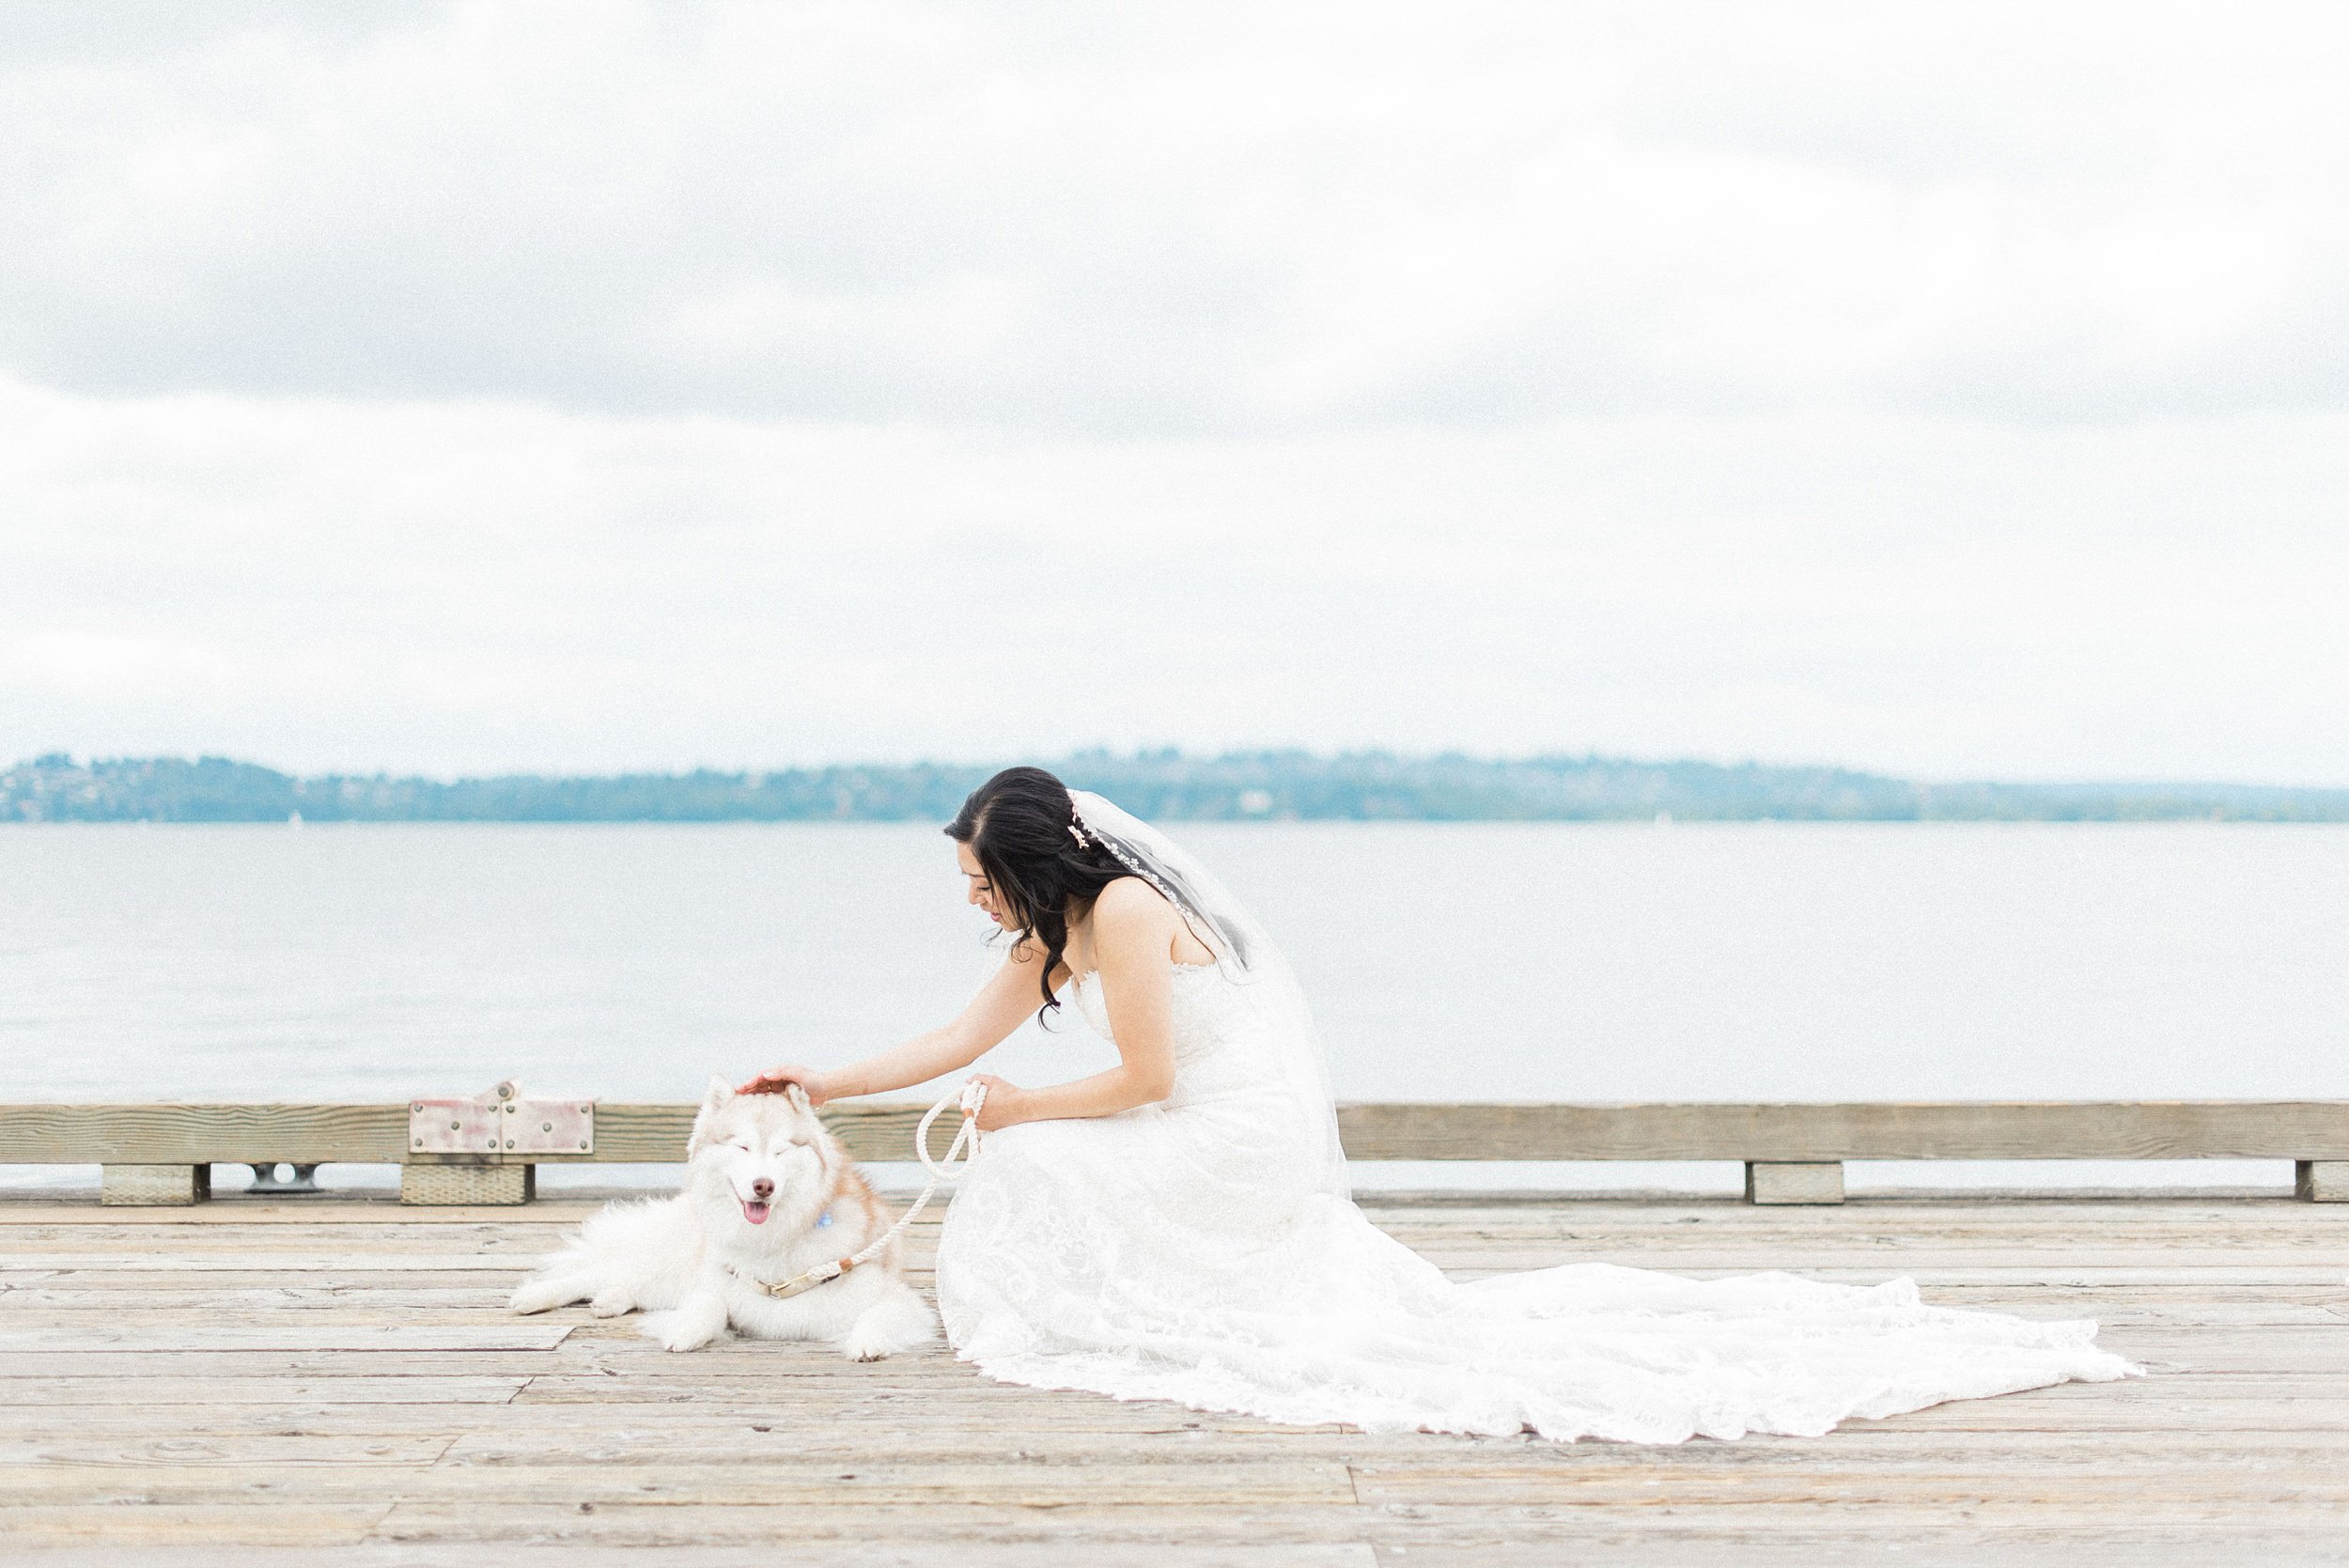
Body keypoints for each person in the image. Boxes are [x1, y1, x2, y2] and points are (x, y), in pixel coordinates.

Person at [742, 766, 2133, 1441]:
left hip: (1233, 1135)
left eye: (979, 874)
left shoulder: (1120, 907)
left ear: (1034, 863)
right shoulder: (1047, 938)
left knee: (1037, 1165)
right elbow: (944, 1038)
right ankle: (1086, 1304)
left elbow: (1156, 1084)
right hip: (1183, 1124)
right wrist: (810, 1073)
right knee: (1034, 1162)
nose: (972, 896)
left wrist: (1021, 1112)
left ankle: (1111, 1313)